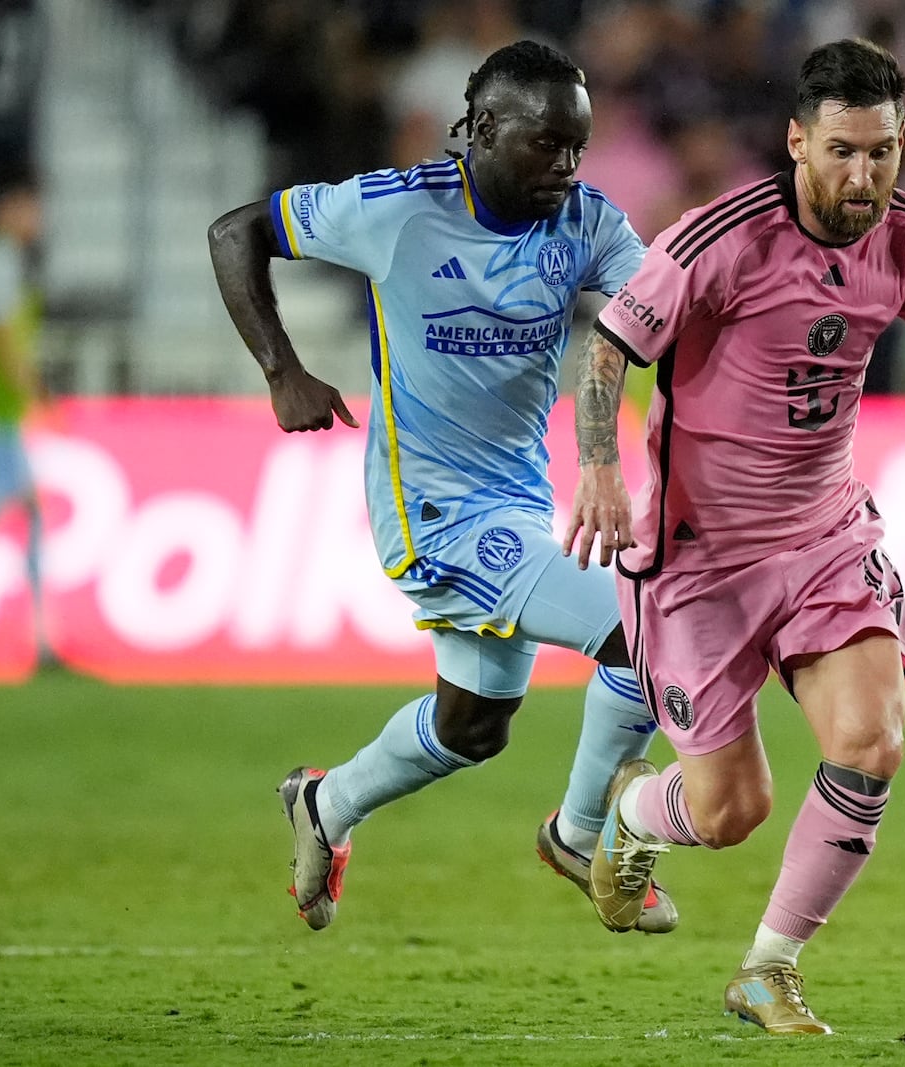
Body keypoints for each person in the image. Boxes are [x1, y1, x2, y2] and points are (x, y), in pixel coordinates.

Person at [561, 39, 905, 1034]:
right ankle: (631, 815)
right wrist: (597, 464)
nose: (863, 176)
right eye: (842, 151)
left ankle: (767, 968)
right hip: (695, 555)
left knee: (871, 739)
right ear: (797, 140)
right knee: (728, 811)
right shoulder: (721, 239)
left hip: (826, 534)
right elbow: (612, 344)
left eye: (882, 153)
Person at [207, 40, 678, 936]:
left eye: (578, 147)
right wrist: (282, 370)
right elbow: (236, 232)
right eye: (547, 145)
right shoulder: (396, 208)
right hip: (431, 509)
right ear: (486, 128)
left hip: (518, 501)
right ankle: (579, 836)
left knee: (472, 728)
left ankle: (326, 802)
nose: (567, 167)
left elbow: (658, 317)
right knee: (645, 629)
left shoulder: (584, 222)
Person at [0, 172, 50, 662]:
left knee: (27, 514)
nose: (37, 221)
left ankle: (42, 641)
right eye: (31, 209)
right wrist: (35, 393)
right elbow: (3, 335)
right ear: (9, 207)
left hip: (0, 408)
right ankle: (41, 642)